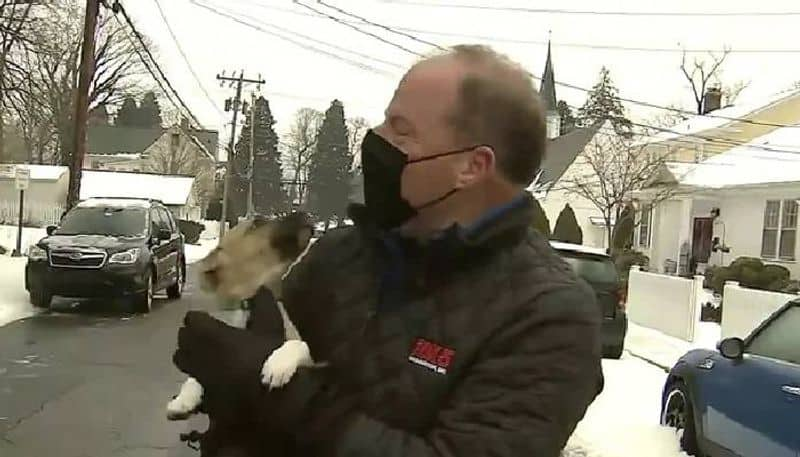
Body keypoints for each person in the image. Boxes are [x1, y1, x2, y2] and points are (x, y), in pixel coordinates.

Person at [173, 44, 604, 457]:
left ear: (471, 166)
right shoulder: (339, 254)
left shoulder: (549, 316)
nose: (374, 140)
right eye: (383, 122)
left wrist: (279, 394)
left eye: (401, 130)